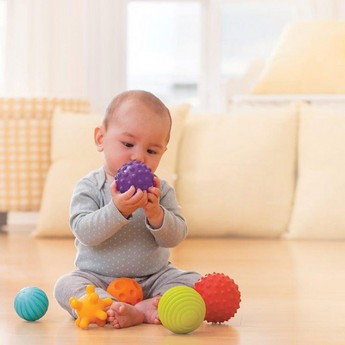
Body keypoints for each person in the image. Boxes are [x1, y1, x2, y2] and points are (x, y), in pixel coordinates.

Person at [54, 90, 201, 329]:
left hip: (153, 278)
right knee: (65, 285)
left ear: (163, 152)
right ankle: (112, 305)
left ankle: (146, 305)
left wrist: (157, 215)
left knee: (195, 282)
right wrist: (117, 210)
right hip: (97, 278)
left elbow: (176, 237)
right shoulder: (90, 186)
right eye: (128, 144)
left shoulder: (160, 191)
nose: (139, 157)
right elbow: (84, 231)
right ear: (101, 139)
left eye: (151, 151)